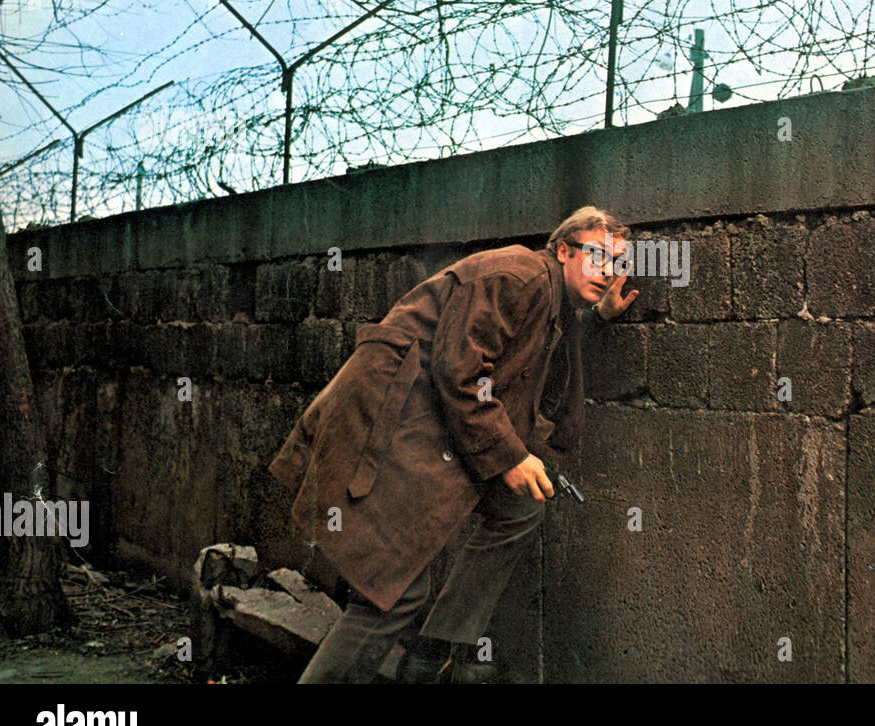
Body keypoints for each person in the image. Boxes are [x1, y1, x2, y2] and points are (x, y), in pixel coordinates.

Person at [268, 206, 638, 683]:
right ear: (564, 250)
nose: (608, 271)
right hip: (385, 421)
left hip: (425, 424)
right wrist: (510, 456)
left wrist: (597, 317)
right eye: (597, 256)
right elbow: (461, 373)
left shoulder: (548, 293)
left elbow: (528, 356)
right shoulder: (519, 275)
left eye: (618, 263)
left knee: (520, 508)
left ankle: (433, 650)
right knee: (393, 593)